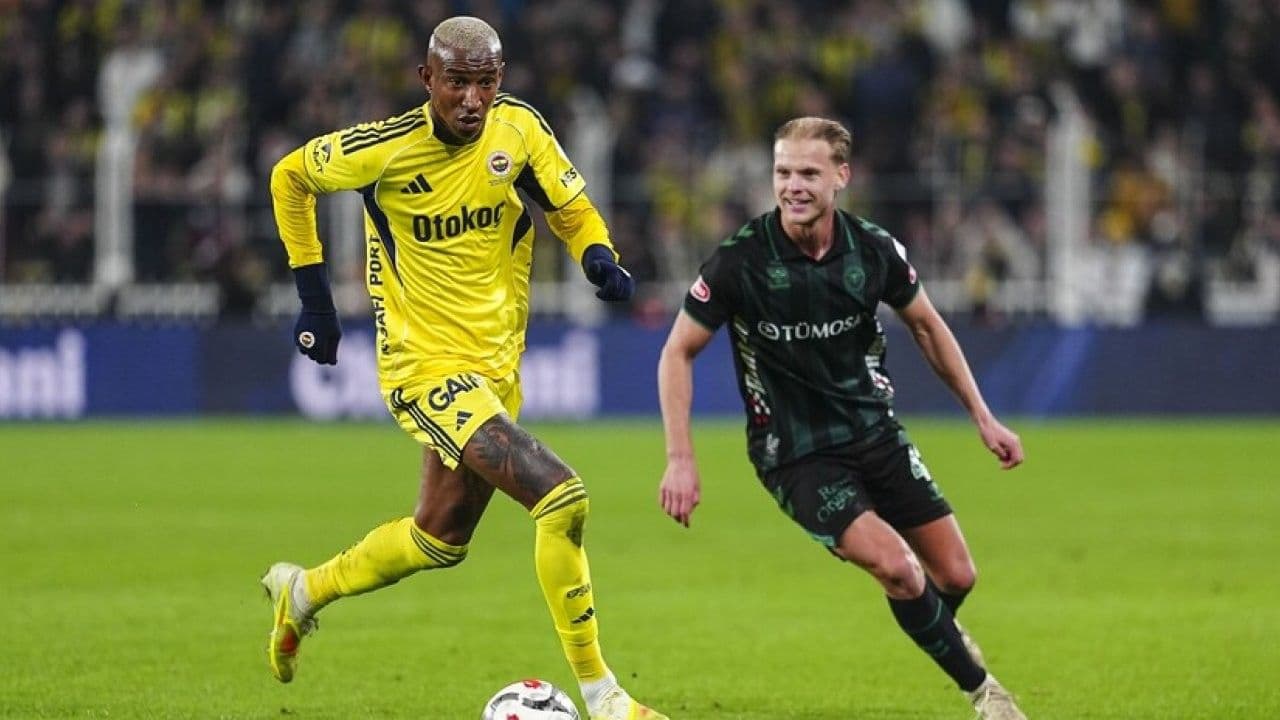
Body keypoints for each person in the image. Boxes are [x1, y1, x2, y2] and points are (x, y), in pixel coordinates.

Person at [263, 16, 666, 720]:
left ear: (500, 81)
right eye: (457, 82)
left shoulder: (520, 130)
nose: (472, 99)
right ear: (428, 79)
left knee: (438, 539)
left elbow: (570, 209)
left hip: (494, 368)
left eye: (485, 83)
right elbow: (289, 177)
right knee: (562, 497)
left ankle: (304, 591)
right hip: (423, 368)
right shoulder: (384, 149)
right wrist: (314, 300)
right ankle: (604, 696)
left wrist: (598, 254)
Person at [656, 117, 1029, 720]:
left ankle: (935, 629)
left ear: (841, 177)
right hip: (795, 453)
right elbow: (677, 351)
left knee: (957, 576)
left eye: (808, 173)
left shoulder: (873, 250)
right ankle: (987, 695)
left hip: (874, 433)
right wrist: (680, 458)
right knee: (899, 569)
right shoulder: (739, 261)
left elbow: (927, 326)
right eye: (783, 172)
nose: (793, 186)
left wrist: (983, 417)